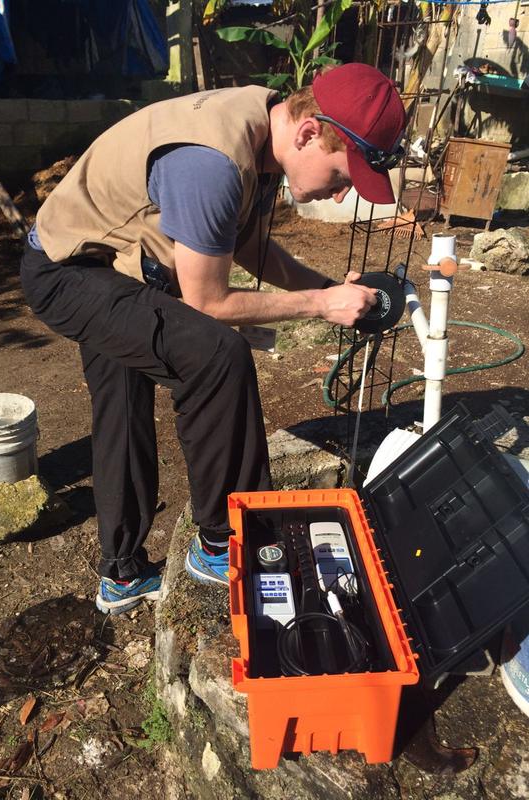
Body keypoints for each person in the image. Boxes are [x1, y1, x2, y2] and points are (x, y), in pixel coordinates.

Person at [20, 62, 406, 615]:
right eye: (343, 177)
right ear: (307, 133)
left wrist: (325, 288)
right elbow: (208, 303)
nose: (342, 196)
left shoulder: (262, 131)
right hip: (68, 270)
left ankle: (122, 576)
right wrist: (320, 306)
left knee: (123, 404)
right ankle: (223, 542)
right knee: (215, 355)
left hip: (111, 262)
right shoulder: (214, 163)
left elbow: (246, 244)